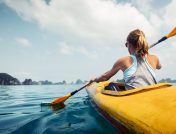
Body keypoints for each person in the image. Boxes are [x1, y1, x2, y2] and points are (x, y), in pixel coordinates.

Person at [91, 29, 161, 90]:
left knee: (110, 86)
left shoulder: (124, 61)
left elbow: (105, 77)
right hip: (151, 93)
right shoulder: (154, 58)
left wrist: (95, 80)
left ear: (129, 44)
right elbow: (159, 67)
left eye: (126, 44)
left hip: (133, 97)